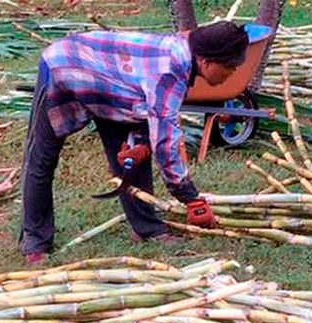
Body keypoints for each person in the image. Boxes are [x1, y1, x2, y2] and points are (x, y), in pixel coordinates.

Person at [18, 20, 250, 264]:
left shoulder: (186, 50)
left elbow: (148, 115)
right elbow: (166, 144)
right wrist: (190, 198)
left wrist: (139, 141)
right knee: (42, 158)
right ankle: (35, 242)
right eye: (230, 67)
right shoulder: (170, 73)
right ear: (206, 61)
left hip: (115, 82)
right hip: (65, 66)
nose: (233, 73)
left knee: (133, 156)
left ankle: (147, 229)